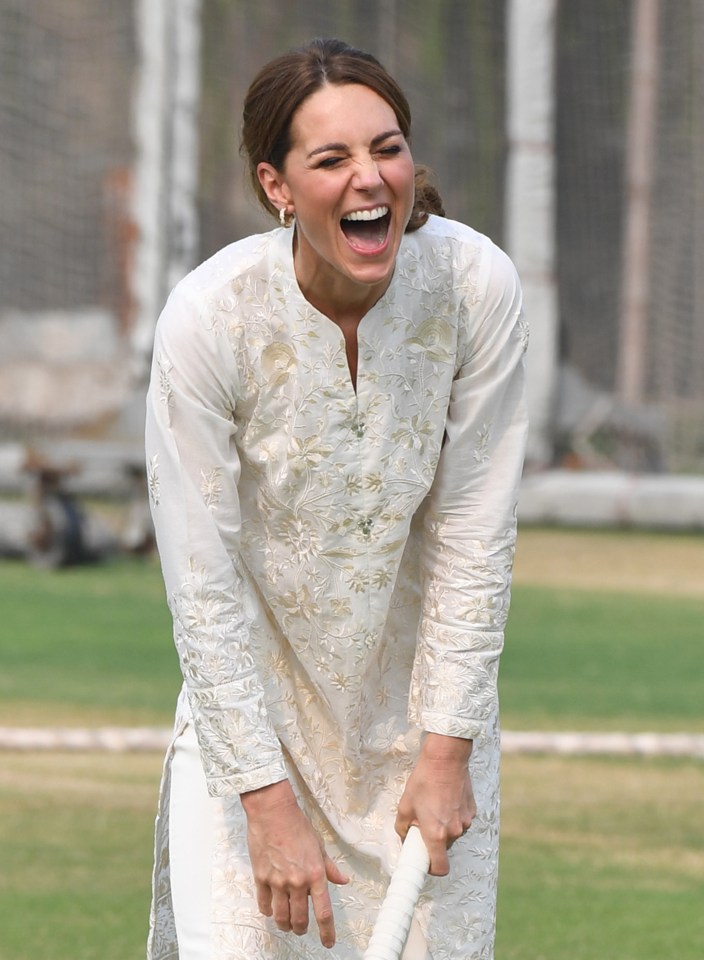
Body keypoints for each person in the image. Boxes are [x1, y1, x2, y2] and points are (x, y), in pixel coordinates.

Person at [145, 37, 529, 960]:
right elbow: (201, 582)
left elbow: (475, 532)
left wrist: (446, 755)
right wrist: (263, 801)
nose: (370, 179)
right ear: (276, 185)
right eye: (332, 160)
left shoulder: (474, 286)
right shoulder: (209, 317)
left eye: (387, 147)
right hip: (250, 738)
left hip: (424, 734)